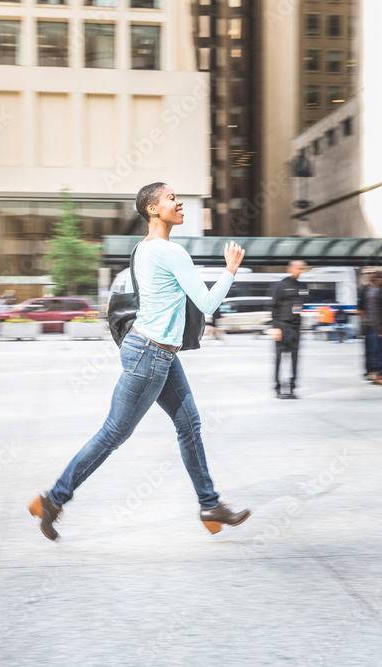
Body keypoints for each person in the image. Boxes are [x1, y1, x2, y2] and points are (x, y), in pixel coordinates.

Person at [29, 183, 250, 540]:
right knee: (113, 433)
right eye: (171, 198)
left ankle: (209, 504)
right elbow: (208, 305)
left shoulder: (141, 249)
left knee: (189, 424)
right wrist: (230, 269)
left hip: (156, 352)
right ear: (152, 209)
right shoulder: (172, 252)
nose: (179, 203)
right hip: (150, 355)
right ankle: (53, 499)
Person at [269, 260, 309, 399]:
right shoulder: (281, 285)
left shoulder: (303, 286)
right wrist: (275, 327)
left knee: (295, 359)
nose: (300, 271)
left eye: (302, 269)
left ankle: (292, 388)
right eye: (297, 268)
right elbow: (273, 307)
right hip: (282, 326)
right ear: (289, 269)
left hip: (296, 327)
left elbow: (303, 304)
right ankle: (278, 388)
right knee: (279, 359)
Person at [357, 270, 382, 386]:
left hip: (370, 326)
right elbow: (376, 311)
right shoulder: (376, 291)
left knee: (371, 351)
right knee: (378, 352)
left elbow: (362, 309)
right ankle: (380, 376)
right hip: (376, 326)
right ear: (377, 279)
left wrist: (366, 322)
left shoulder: (369, 290)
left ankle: (371, 373)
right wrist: (380, 327)